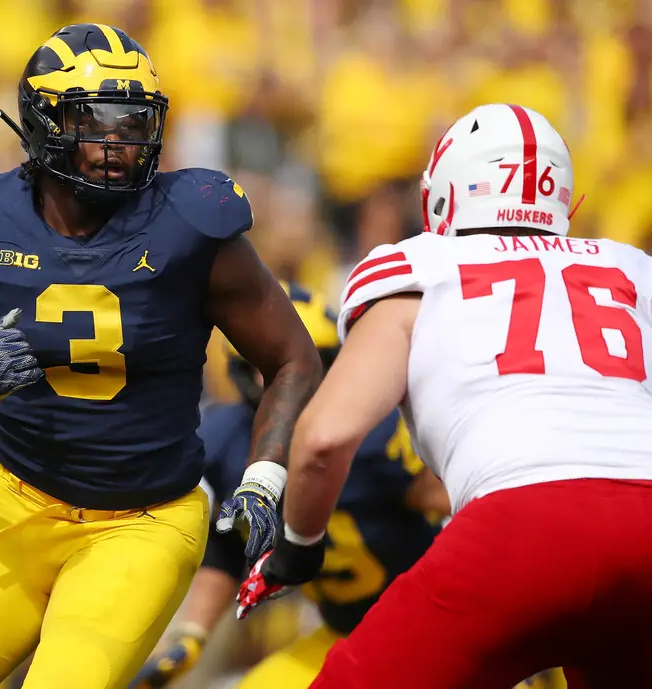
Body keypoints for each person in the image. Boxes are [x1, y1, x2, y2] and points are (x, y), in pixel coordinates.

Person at [0, 23, 322, 689]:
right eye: (93, 122)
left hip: (143, 520)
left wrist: (264, 473)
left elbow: (294, 358)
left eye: (134, 124)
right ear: (42, 123)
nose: (117, 145)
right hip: (11, 500)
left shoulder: (191, 223)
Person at [236, 103, 652, 689]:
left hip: (522, 523)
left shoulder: (420, 269)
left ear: (443, 194)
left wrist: (298, 545)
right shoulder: (627, 271)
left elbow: (323, 438)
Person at [127, 281, 448, 689]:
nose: (285, 385)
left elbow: (470, 509)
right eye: (270, 366)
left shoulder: (372, 435)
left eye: (302, 366)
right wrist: (191, 634)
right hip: (345, 633)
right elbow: (225, 544)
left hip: (432, 625)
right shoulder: (227, 440)